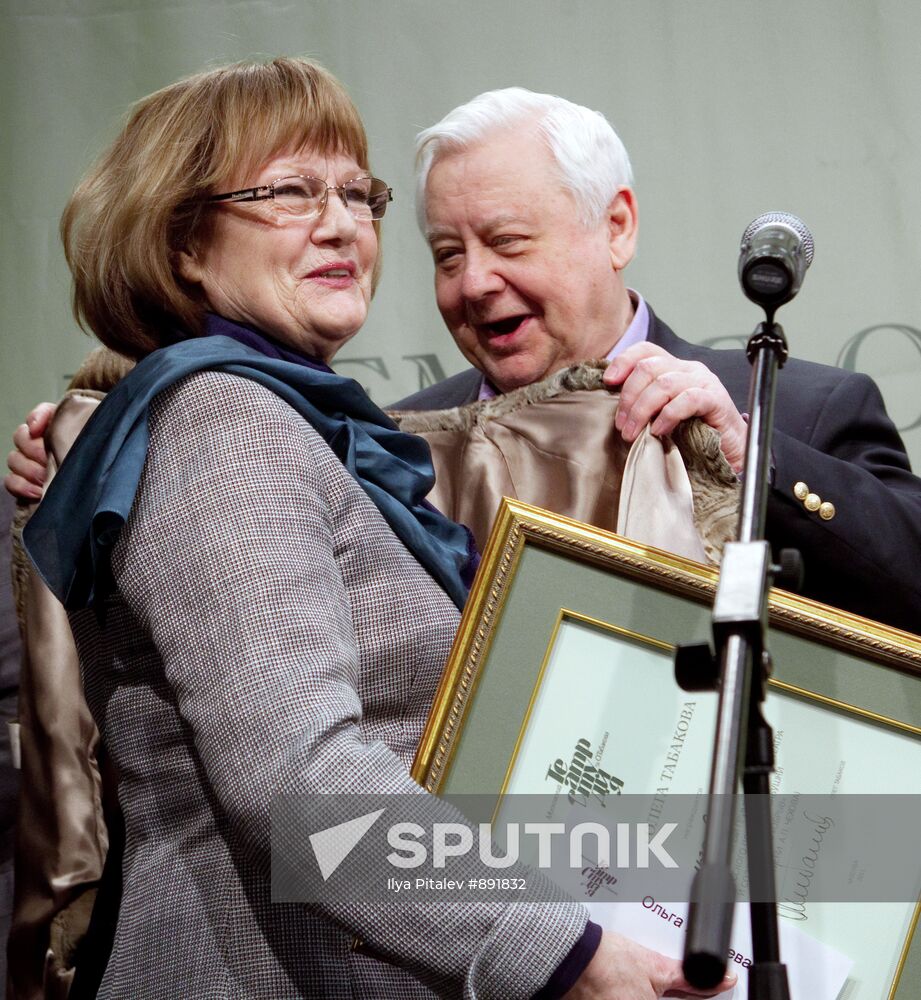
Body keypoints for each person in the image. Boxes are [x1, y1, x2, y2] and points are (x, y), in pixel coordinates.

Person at [10, 59, 734, 1000]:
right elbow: (300, 780)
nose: (342, 222)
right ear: (184, 242)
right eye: (289, 193)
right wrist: (563, 956)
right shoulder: (221, 419)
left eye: (358, 192)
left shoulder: (296, 424)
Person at [389, 87, 921, 633]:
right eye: (448, 255)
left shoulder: (797, 410)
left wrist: (752, 458)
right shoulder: (398, 453)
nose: (474, 283)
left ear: (616, 228)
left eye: (507, 241)